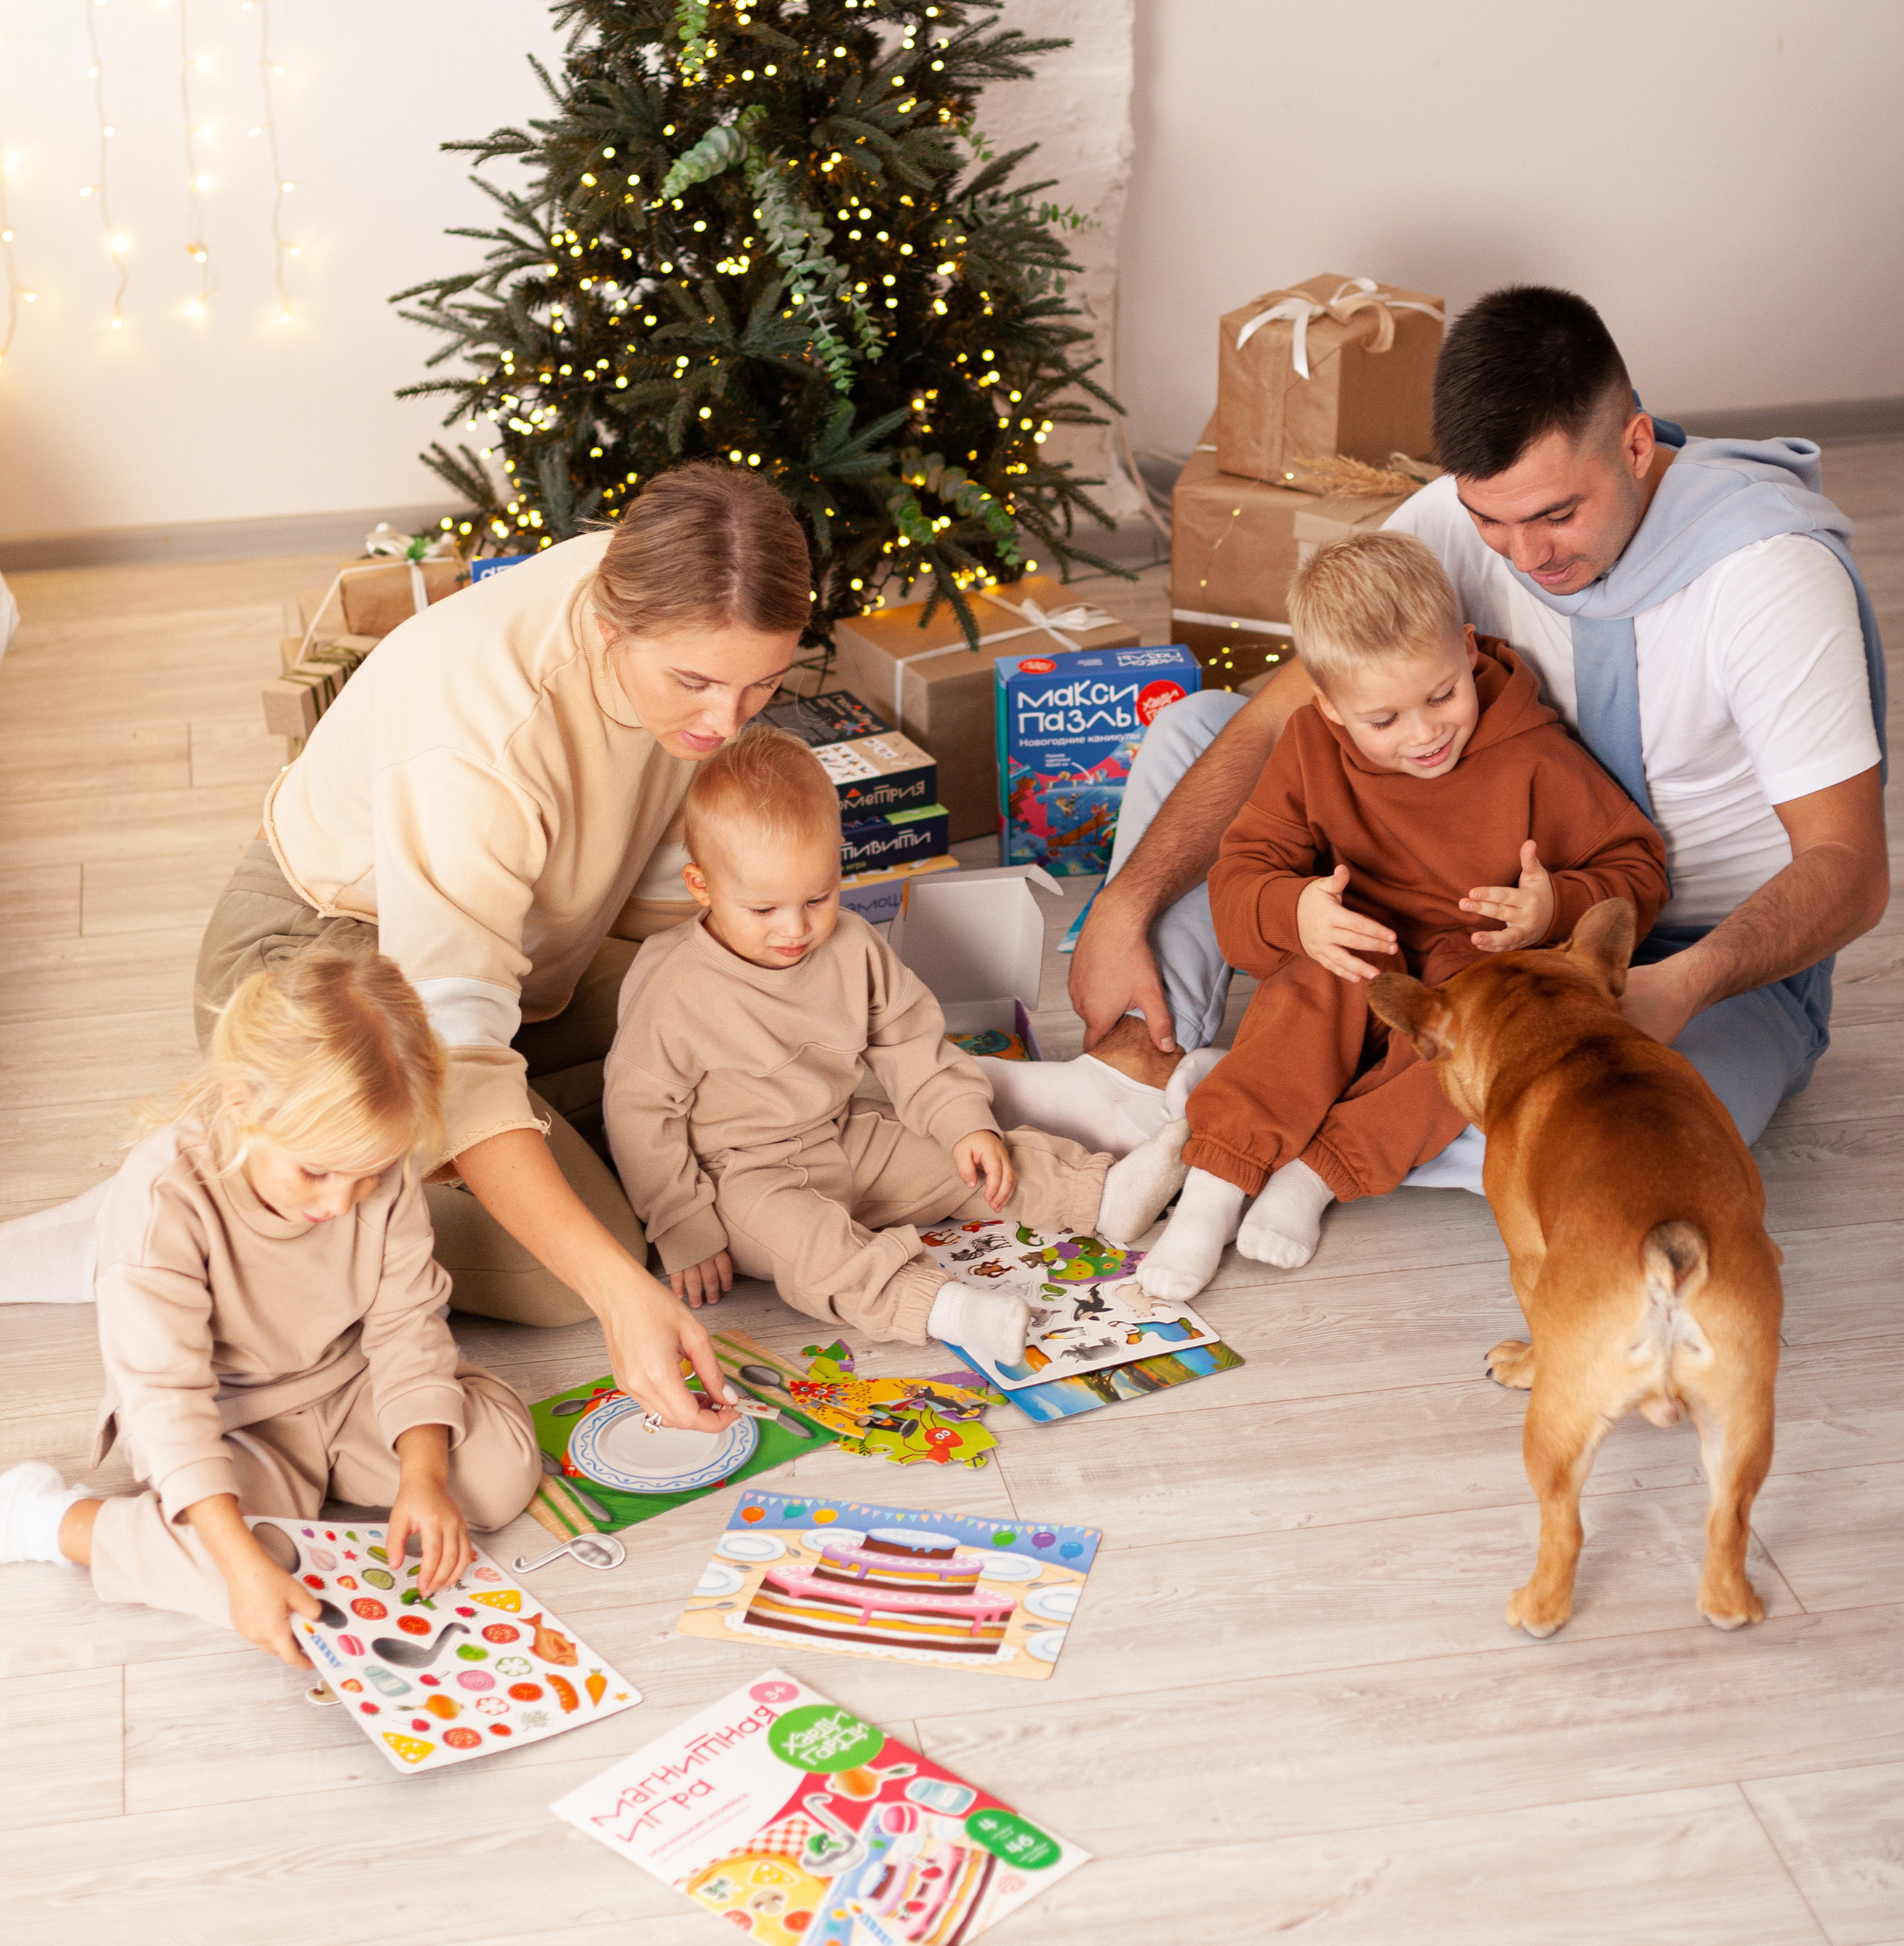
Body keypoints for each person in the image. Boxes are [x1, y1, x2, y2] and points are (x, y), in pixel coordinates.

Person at [0, 463, 813, 1431]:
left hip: (527, 946)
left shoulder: (686, 597)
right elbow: (465, 1051)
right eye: (695, 685)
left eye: (761, 685)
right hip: (323, 948)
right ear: (608, 629)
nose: (725, 720)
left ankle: (397, 1145)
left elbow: (681, 924)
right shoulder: (480, 741)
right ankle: (204, 1201)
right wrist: (618, 1297)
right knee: (572, 1268)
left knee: (743, 1024)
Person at [1072, 284, 1887, 1184]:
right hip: (1452, 930)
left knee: (1643, 1132)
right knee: (1201, 726)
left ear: (1635, 444)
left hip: (1690, 957)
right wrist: (1122, 907)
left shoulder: (1766, 577)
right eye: (1490, 520)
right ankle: (1148, 1064)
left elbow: (1848, 867)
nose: (1526, 557)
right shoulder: (1453, 523)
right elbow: (1291, 708)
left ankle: (1267, 1105)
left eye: (1556, 515)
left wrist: (1679, 984)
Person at [1139, 532, 1667, 1297]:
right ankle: (1214, 1185)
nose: (1423, 734)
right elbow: (1241, 874)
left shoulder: (1536, 754)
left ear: (1465, 648)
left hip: (1478, 964)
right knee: (1308, 991)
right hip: (1362, 938)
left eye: (1442, 695)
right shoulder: (1306, 746)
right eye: (1382, 721)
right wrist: (1296, 913)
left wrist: (1556, 902)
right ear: (1328, 708)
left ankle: (1320, 1173)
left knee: (1476, 1050)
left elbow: (1635, 865)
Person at [0, 950, 538, 1654]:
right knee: (251, 1575)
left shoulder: (372, 1167)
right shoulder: (164, 1200)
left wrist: (424, 1475)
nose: (341, 1201)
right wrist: (238, 1557)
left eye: (368, 1175)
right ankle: (53, 1520)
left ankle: (331, 1481)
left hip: (351, 1382)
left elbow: (407, 1323)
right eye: (315, 1171)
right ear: (243, 1105)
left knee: (498, 1479)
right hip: (231, 1414)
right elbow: (167, 1397)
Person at [600, 728, 1191, 1365]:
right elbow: (639, 1116)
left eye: (818, 897)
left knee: (971, 1163)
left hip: (842, 1134)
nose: (796, 929)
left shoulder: (851, 945)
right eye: (764, 909)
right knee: (814, 1247)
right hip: (740, 1177)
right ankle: (947, 1309)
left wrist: (964, 1124)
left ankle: (1101, 1194)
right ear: (701, 885)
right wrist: (682, 1225)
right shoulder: (674, 987)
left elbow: (911, 1041)